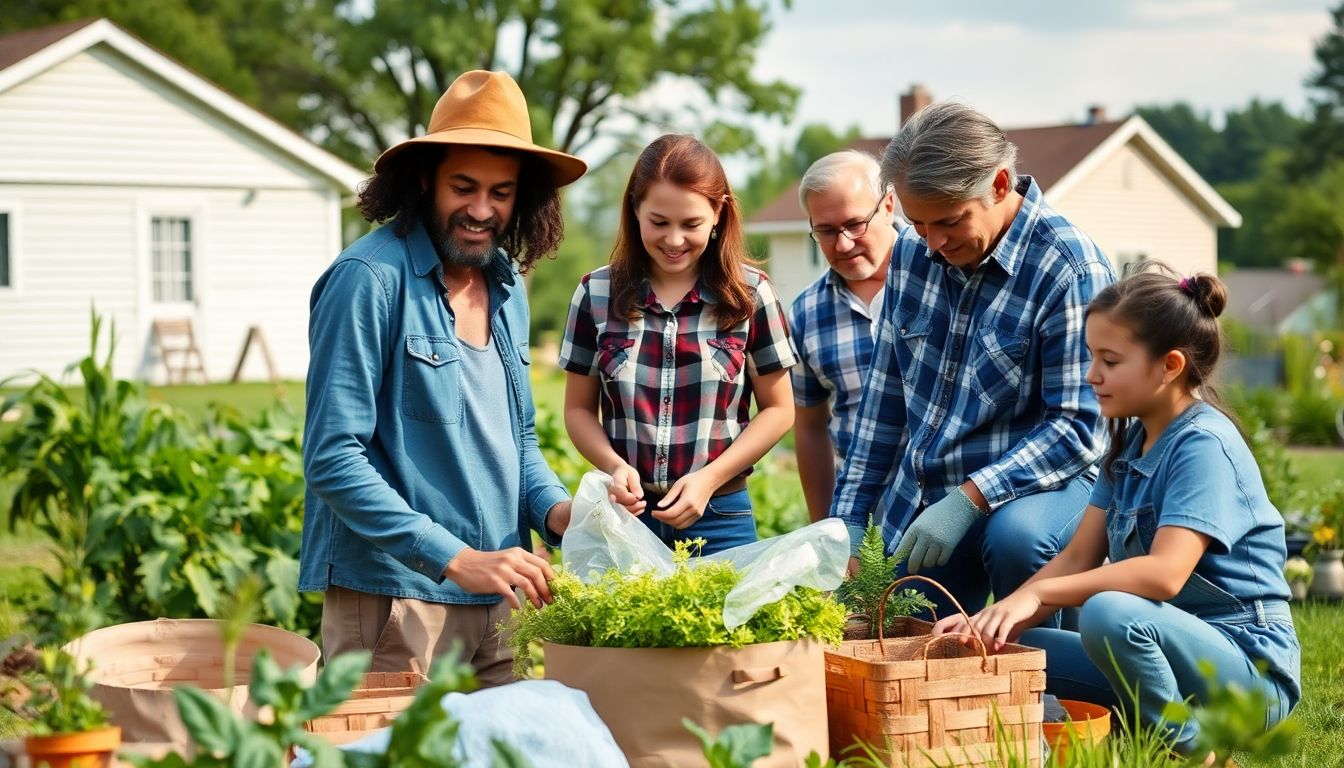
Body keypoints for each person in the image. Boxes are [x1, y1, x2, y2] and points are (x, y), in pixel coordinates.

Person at [935, 269, 1301, 761]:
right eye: (1091, 357)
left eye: (1110, 360)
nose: (1091, 375)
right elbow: (1078, 556)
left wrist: (1037, 591)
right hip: (1166, 654)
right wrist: (992, 618)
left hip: (1248, 676)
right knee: (1023, 647)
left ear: (1169, 366)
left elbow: (1165, 575)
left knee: (1110, 611)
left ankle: (1191, 748)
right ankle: (1147, 718)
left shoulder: (1203, 445)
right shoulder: (1128, 441)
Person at [300, 70, 587, 685]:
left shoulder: (506, 288)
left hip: (501, 598)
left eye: (501, 192)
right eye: (464, 186)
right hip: (396, 597)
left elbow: (518, 444)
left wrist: (561, 513)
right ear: (425, 178)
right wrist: (453, 558)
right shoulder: (369, 280)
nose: (482, 209)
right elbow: (333, 459)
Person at [831, 102, 1115, 623]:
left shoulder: (1069, 268)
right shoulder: (914, 255)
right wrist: (848, 521)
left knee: (1018, 542)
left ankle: (1048, 688)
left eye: (950, 221)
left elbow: (1079, 428)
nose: (934, 242)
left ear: (1000, 184)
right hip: (931, 496)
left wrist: (971, 499)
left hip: (1042, 489)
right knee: (875, 619)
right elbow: (883, 404)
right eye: (917, 223)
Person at [559, 134, 796, 555]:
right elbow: (578, 410)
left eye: (691, 224)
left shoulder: (750, 295)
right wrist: (615, 468)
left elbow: (779, 410)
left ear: (719, 214)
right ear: (634, 211)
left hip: (720, 515)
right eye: (659, 221)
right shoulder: (596, 293)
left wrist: (708, 480)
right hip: (627, 517)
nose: (673, 240)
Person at [790, 150, 901, 522]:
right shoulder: (807, 313)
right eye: (825, 230)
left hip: (945, 512)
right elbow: (809, 428)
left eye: (855, 224)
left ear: (887, 205)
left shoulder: (940, 278)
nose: (843, 244)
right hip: (863, 518)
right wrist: (825, 530)